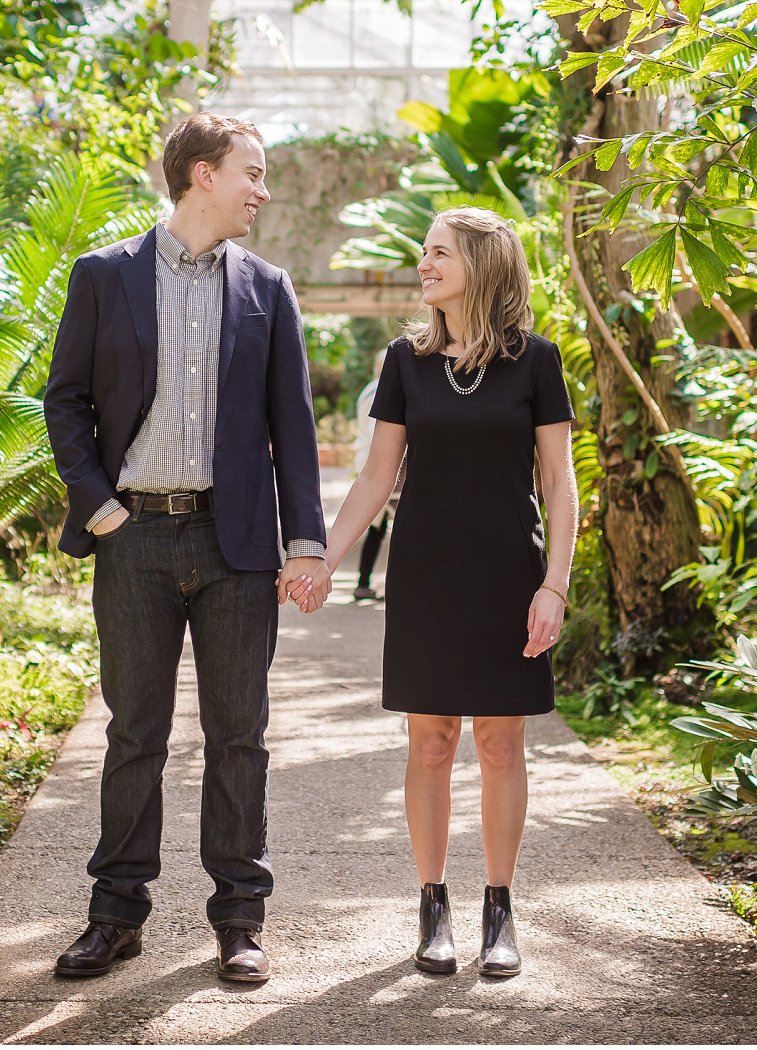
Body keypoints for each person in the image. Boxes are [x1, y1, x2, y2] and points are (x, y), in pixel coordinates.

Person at [43, 113, 333, 985]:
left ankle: (240, 920)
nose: (263, 187)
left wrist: (306, 543)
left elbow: (295, 424)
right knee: (135, 732)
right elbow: (64, 403)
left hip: (236, 542)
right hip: (133, 535)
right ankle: (116, 916)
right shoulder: (104, 276)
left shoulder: (267, 287)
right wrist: (100, 511)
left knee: (238, 735)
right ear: (203, 174)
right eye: (252, 169)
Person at [295, 206, 577, 978]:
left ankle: (499, 907)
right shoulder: (405, 361)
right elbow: (377, 477)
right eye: (425, 253)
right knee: (431, 742)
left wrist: (555, 582)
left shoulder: (536, 362)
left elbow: (558, 482)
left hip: (508, 577)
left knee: (499, 741)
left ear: (484, 265)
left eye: (438, 254)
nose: (423, 265)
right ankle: (432, 904)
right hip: (425, 574)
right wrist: (322, 557)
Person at [351, 350, 396, 601]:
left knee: (377, 528)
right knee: (382, 527)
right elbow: (377, 434)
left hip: (369, 464)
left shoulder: (369, 389)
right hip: (380, 469)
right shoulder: (381, 391)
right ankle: (364, 582)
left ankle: (363, 582)